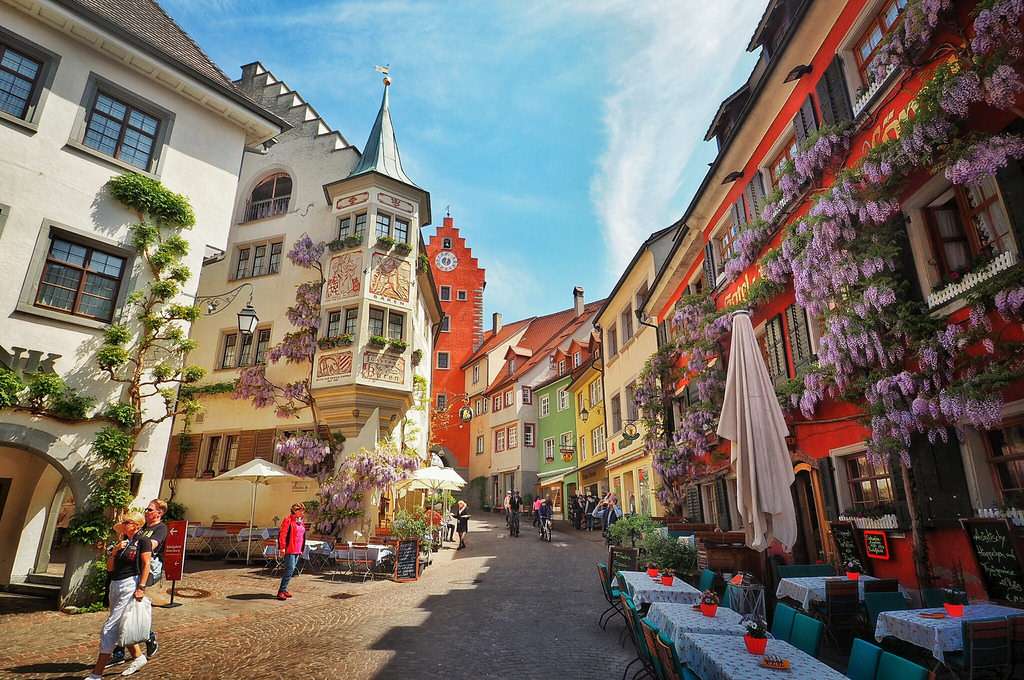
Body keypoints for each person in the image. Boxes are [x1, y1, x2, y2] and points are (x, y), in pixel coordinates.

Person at [85, 510, 152, 679]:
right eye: (123, 523)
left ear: (136, 525)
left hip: (130, 583)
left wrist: (141, 587)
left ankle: (96, 674)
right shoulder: (122, 542)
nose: (124, 525)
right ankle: (138, 657)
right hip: (115, 584)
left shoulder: (143, 541)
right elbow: (109, 568)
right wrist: (114, 552)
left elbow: (146, 565)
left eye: (127, 522)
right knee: (123, 623)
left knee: (111, 627)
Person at [109, 500, 167, 667]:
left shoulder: (160, 528)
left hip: (142, 571)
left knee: (126, 611)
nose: (146, 512)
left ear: (159, 512)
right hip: (129, 571)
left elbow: (151, 546)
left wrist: (138, 541)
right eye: (146, 509)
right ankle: (121, 650)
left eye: (150, 509)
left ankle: (146, 638)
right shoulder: (143, 529)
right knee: (126, 611)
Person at [276, 503, 306, 601]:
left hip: (297, 549)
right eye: (300, 510)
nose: (302, 513)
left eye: (303, 511)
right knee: (289, 569)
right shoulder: (288, 519)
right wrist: (282, 547)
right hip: (290, 548)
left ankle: (284, 590)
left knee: (291, 570)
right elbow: (282, 534)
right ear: (294, 511)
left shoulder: (300, 521)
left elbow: (302, 534)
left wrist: (302, 548)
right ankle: (281, 591)